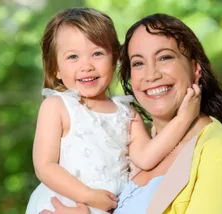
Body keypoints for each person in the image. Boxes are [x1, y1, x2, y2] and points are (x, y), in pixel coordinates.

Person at [43, 13, 222, 214]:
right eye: (138, 63)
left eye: (165, 57)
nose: (151, 75)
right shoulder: (133, 147)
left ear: (195, 69)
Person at [26, 8, 201, 214]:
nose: (87, 66)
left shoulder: (127, 114)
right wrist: (88, 196)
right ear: (56, 68)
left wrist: (184, 118)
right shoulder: (57, 106)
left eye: (97, 53)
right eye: (73, 57)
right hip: (64, 203)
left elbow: (146, 158)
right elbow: (44, 166)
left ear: (115, 59)